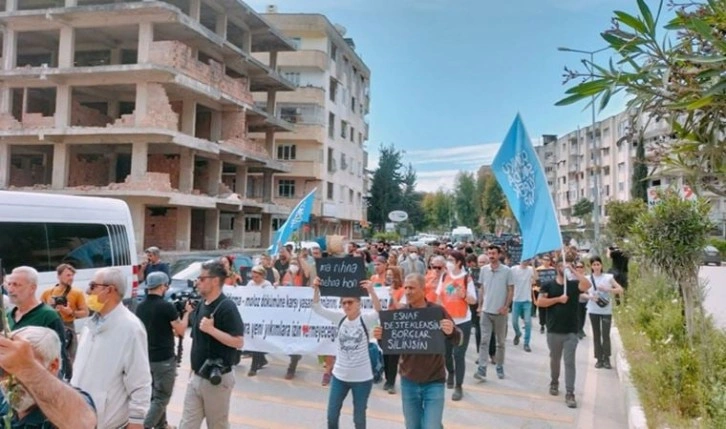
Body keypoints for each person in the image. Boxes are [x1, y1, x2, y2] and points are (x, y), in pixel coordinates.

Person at [373, 273, 460, 429]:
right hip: (409, 381)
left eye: (412, 288)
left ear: (423, 289)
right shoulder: (401, 315)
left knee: (431, 426)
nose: (407, 291)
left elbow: (458, 339)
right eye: (405, 288)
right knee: (412, 426)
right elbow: (390, 346)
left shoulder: (437, 311)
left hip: (434, 381)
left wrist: (451, 331)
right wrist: (381, 337)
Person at [72, 267, 151, 428]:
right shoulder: (90, 325)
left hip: (107, 422)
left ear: (110, 290)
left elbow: (140, 381)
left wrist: (136, 421)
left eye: (93, 286)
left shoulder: (130, 328)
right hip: (80, 417)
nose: (87, 291)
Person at [179, 260, 244, 429]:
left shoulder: (227, 307)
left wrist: (212, 330)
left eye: (201, 278)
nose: (197, 282)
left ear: (215, 281)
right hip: (197, 377)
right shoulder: (202, 304)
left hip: (217, 379)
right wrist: (192, 372)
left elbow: (238, 341)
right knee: (187, 424)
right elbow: (197, 342)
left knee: (217, 425)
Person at [312, 278, 381, 429]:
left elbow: (378, 310)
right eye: (344, 303)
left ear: (359, 304)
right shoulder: (340, 317)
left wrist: (371, 291)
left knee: (359, 419)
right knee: (332, 415)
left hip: (362, 379)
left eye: (350, 302)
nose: (347, 305)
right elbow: (317, 307)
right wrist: (316, 289)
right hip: (339, 376)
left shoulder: (366, 320)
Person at [0, 326, 97, 429]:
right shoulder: (4, 399)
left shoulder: (69, 402)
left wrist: (28, 368)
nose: (13, 380)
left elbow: (83, 424)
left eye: (20, 367)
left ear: (53, 366)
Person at [135, 272, 190, 429]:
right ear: (162, 286)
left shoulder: (140, 307)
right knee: (161, 398)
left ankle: (162, 425)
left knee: (153, 396)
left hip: (146, 358)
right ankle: (145, 426)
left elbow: (156, 329)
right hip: (163, 360)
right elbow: (180, 330)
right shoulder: (167, 307)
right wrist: (187, 314)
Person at [536, 257, 591, 408]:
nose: (564, 267)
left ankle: (570, 393)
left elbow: (587, 284)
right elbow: (540, 302)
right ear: (555, 267)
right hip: (553, 330)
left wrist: (573, 270)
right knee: (555, 360)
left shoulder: (573, 285)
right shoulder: (548, 285)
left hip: (571, 331)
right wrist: (558, 300)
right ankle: (554, 382)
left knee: (569, 362)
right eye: (561, 265)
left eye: (567, 265)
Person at [6, 267, 69, 380]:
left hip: (39, 383)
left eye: (16, 285)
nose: (10, 290)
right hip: (13, 382)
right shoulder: (8, 315)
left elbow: (60, 356)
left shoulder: (48, 316)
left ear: (32, 288)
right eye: (9, 284)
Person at [437, 251, 477, 401]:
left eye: (451, 260)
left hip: (462, 322)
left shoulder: (467, 278)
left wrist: (464, 295)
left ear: (459, 262)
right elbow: (439, 297)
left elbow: (473, 301)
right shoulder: (444, 276)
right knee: (446, 354)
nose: (448, 262)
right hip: (447, 322)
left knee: (459, 355)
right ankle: (451, 373)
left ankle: (458, 386)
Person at [41, 263, 89, 371]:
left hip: (68, 328)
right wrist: (49, 308)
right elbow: (40, 311)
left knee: (70, 359)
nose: (71, 278)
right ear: (58, 276)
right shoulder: (47, 293)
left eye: (72, 275)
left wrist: (71, 312)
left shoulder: (77, 292)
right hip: (51, 327)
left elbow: (85, 313)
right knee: (52, 358)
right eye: (68, 275)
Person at [475, 245, 514, 381]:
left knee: (500, 342)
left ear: (499, 255)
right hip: (486, 311)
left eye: (493, 253)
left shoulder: (507, 271)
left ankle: (499, 366)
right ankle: (482, 368)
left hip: (500, 313)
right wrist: (480, 306)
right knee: (484, 341)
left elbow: (510, 290)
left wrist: (506, 306)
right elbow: (481, 289)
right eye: (489, 253)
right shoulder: (484, 270)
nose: (491, 256)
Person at [585, 256, 624, 369]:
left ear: (601, 265)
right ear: (591, 266)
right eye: (594, 264)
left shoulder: (608, 277)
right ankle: (599, 359)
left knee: (605, 335)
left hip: (606, 310)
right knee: (596, 334)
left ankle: (607, 358)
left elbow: (620, 289)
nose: (596, 267)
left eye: (598, 264)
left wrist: (608, 290)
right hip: (593, 310)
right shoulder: (587, 278)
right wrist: (590, 297)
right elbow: (581, 293)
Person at [382, 266, 404, 394]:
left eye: (391, 274)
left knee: (393, 355)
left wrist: (393, 296)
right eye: (387, 274)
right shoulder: (383, 289)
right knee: (385, 354)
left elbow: (401, 307)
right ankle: (387, 378)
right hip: (384, 323)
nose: (389, 277)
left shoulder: (401, 290)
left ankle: (391, 382)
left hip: (396, 325)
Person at [246, 266, 272, 377]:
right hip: (252, 315)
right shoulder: (250, 284)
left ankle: (254, 367)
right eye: (253, 276)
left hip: (263, 316)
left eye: (257, 277)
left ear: (262, 276)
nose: (254, 279)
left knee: (257, 341)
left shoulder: (267, 285)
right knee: (254, 340)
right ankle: (262, 360)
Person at [510, 259, 537, 352]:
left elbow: (536, 278)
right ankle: (518, 333)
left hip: (527, 300)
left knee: (528, 322)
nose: (526, 262)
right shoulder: (514, 269)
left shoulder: (530, 269)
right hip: (516, 300)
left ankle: (526, 343)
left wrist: (533, 264)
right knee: (514, 321)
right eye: (524, 260)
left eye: (527, 260)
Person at [535, 255, 556, 333]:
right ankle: (542, 325)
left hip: (551, 292)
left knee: (551, 309)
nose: (546, 261)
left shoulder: (553, 270)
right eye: (545, 260)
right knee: (542, 309)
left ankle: (549, 324)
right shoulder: (538, 270)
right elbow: (536, 280)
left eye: (548, 260)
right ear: (542, 261)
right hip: (542, 292)